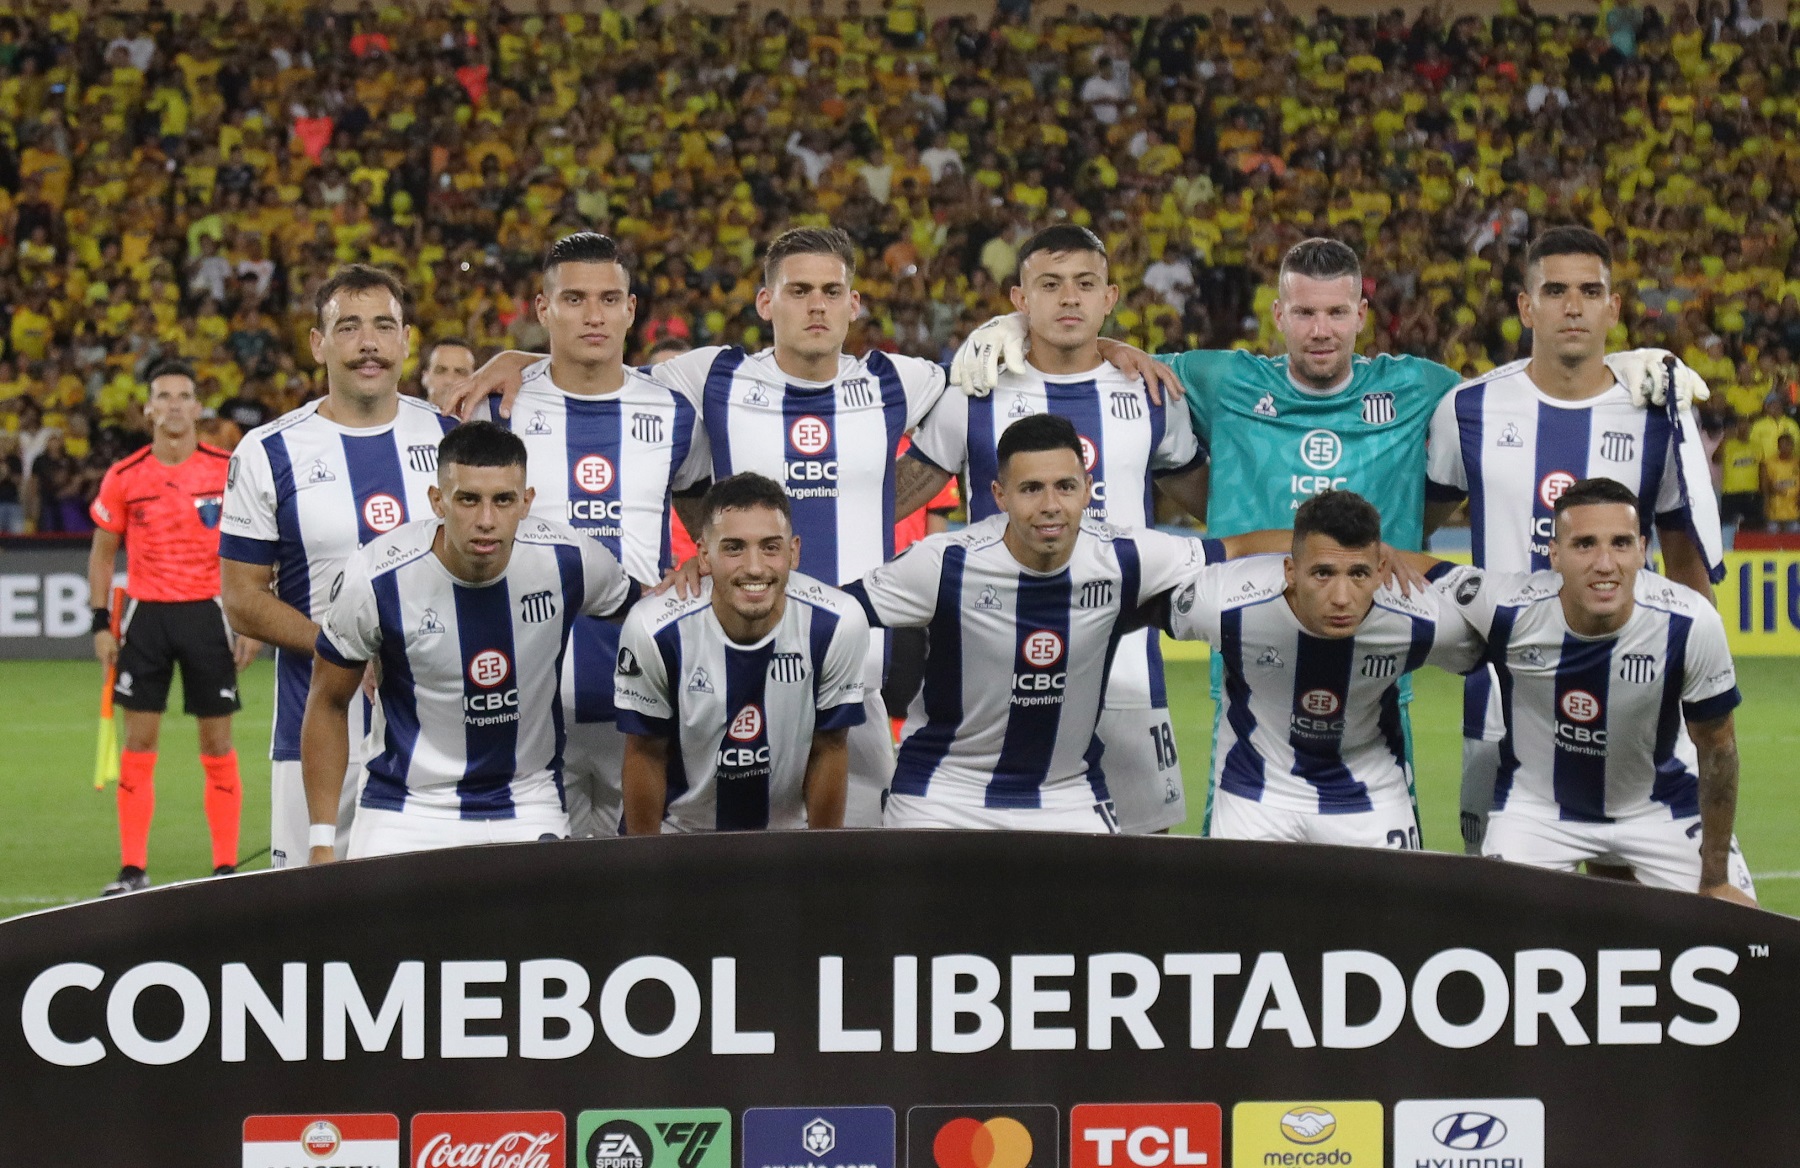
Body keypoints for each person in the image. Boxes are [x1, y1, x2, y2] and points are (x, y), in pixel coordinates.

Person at [951, 236, 1709, 840]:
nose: (1321, 329)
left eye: (1337, 313)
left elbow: (1533, 383)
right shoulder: (1219, 379)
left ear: (1361, 314)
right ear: (1279, 315)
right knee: (1244, 808)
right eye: (1305, 313)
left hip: (1379, 628)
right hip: (1255, 629)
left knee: (1384, 787)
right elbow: (1100, 350)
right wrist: (1009, 325)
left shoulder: (1422, 387)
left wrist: (1621, 362)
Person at [439, 227, 953, 828]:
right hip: (724, 676)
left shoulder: (902, 380)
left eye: (831, 291)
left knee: (842, 882)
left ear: (854, 302)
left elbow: (969, 406)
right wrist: (520, 359)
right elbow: (598, 372)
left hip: (854, 681)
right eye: (799, 290)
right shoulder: (710, 378)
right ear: (766, 302)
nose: (817, 305)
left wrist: (1033, 337)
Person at [895, 225, 1210, 834]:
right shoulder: (974, 393)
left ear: (1110, 297)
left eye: (1085, 285)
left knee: (1145, 854)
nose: (1069, 299)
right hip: (985, 674)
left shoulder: (1149, 394)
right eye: (1051, 285)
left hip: (1124, 666)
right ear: (1019, 299)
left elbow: (1212, 502)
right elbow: (898, 494)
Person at [1427, 227, 1726, 854]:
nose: (1572, 306)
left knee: (1634, 909)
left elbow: (1686, 569)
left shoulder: (1659, 414)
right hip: (1500, 704)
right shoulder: (1468, 409)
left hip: (1636, 701)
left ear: (1613, 308)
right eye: (1554, 290)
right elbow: (1413, 533)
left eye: (1590, 291)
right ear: (1525, 306)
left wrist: (1699, 684)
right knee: (1500, 908)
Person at [843, 414, 1250, 831]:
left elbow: (1236, 549)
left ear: (1088, 490)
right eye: (1031, 489)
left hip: (1066, 795)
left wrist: (1312, 554)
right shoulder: (944, 562)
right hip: (942, 792)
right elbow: (831, 613)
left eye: (1066, 487)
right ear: (1000, 495)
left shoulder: (1124, 556)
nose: (1051, 505)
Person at [1411, 479, 1755, 904]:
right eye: (1585, 544)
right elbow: (1426, 570)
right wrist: (1373, 554)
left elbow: (1719, 750)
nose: (1605, 563)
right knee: (1500, 940)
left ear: (1643, 550)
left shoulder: (1689, 622)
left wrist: (1716, 877)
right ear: (1555, 554)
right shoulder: (1511, 607)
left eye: (1621, 543)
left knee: (1738, 931)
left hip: (1659, 808)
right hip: (1538, 811)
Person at [304, 421, 636, 859]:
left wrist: (689, 585)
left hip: (527, 800)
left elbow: (650, 619)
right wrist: (322, 841)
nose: (486, 520)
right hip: (405, 807)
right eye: (468, 500)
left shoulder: (570, 559)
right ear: (437, 501)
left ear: (526, 502)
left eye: (503, 500)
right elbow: (327, 700)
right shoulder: (376, 577)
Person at [220, 265, 454, 867]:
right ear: (318, 344)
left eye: (384, 325)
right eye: (348, 327)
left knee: (431, 928)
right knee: (306, 930)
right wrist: (339, 645)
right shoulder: (269, 450)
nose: (368, 343)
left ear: (407, 340)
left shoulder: (453, 441)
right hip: (312, 726)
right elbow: (241, 598)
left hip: (440, 733)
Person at [488, 233, 709, 837]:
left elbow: (708, 520)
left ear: (632, 310)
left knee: (640, 891)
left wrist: (704, 560)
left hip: (642, 693)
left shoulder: (675, 412)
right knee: (536, 897)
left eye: (610, 299)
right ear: (542, 310)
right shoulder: (498, 409)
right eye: (575, 299)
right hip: (527, 694)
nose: (593, 315)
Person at [1160, 490, 1481, 847]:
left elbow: (1498, 640)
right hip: (1254, 794)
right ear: (1290, 571)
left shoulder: (1420, 619)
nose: (1342, 597)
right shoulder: (1224, 604)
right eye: (1322, 573)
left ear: (1380, 572)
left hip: (1372, 799)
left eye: (1359, 574)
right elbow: (1135, 604)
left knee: (1393, 905)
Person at [87, 358, 260, 894]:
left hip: (208, 614)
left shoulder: (226, 468)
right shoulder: (125, 475)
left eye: (184, 396)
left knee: (216, 743)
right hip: (147, 617)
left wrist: (252, 616)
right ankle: (133, 869)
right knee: (140, 744)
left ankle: (225, 868)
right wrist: (99, 622)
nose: (175, 405)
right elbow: (101, 555)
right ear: (148, 409)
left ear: (196, 407)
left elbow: (256, 543)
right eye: (164, 396)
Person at [615, 472, 869, 833]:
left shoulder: (837, 623)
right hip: (681, 837)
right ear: (704, 554)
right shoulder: (654, 628)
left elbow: (829, 749)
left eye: (770, 547)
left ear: (793, 551)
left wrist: (819, 867)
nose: (754, 567)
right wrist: (646, 869)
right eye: (734, 547)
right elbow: (645, 753)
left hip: (783, 843)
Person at [1714, 413, 1764, 533]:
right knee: (1727, 525)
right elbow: (1715, 459)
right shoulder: (1727, 444)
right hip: (1731, 493)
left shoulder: (1757, 446)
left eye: (1746, 425)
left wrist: (1762, 491)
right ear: (1736, 428)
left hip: (1752, 492)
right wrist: (1724, 440)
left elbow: (1762, 469)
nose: (1744, 428)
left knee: (1752, 527)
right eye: (1741, 425)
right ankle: (1727, 550)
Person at [1748, 392, 1800, 464]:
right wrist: (1760, 463)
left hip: (1789, 465)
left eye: (1778, 405)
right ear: (1767, 407)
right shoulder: (1758, 425)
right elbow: (1754, 446)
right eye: (1773, 405)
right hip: (1766, 465)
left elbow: (1797, 445)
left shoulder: (1791, 424)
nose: (1776, 407)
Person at [1764, 433, 1800, 533]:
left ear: (1792, 446)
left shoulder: (1797, 462)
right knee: (1772, 543)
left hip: (1793, 510)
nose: (1785, 447)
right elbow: (1765, 486)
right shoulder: (1770, 462)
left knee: (1793, 543)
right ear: (1778, 446)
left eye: (1788, 444)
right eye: (1783, 444)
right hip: (1775, 510)